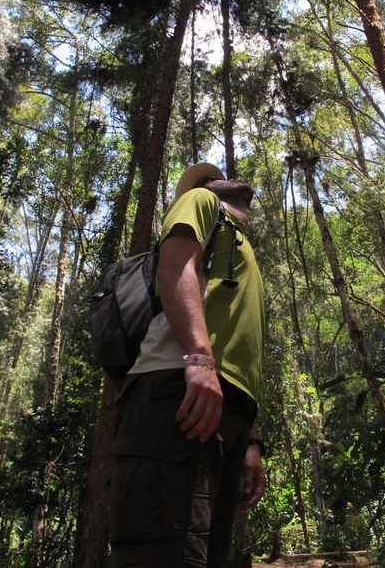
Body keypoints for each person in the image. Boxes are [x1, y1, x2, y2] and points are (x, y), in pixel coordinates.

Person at [110, 162, 266, 568]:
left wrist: (249, 439)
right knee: (162, 555)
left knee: (198, 555)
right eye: (211, 179)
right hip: (175, 389)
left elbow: (238, 346)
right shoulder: (201, 202)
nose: (222, 180)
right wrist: (198, 357)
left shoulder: (242, 246)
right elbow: (175, 264)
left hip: (222, 404)